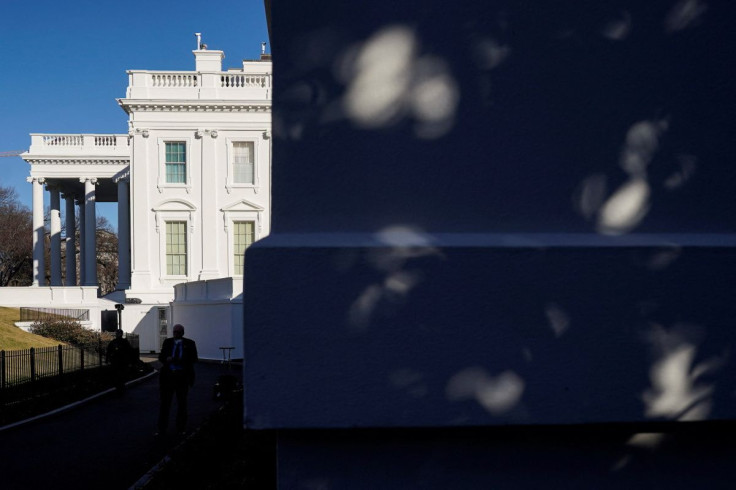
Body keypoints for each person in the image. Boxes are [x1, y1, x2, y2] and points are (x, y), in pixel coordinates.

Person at [157, 323, 198, 436]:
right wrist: (167, 359)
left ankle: (181, 428)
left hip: (182, 377)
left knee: (182, 404)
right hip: (168, 377)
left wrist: (179, 360)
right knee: (165, 404)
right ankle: (161, 429)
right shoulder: (168, 342)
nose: (176, 334)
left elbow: (194, 359)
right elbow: (161, 357)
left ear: (182, 333)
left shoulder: (190, 343)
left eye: (178, 332)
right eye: (174, 332)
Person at [106, 329, 133, 394]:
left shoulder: (120, 342)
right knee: (119, 376)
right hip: (118, 362)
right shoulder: (118, 342)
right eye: (117, 333)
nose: (117, 334)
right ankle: (120, 388)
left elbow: (129, 351)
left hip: (120, 362)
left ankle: (120, 388)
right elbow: (109, 351)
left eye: (118, 333)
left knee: (119, 376)